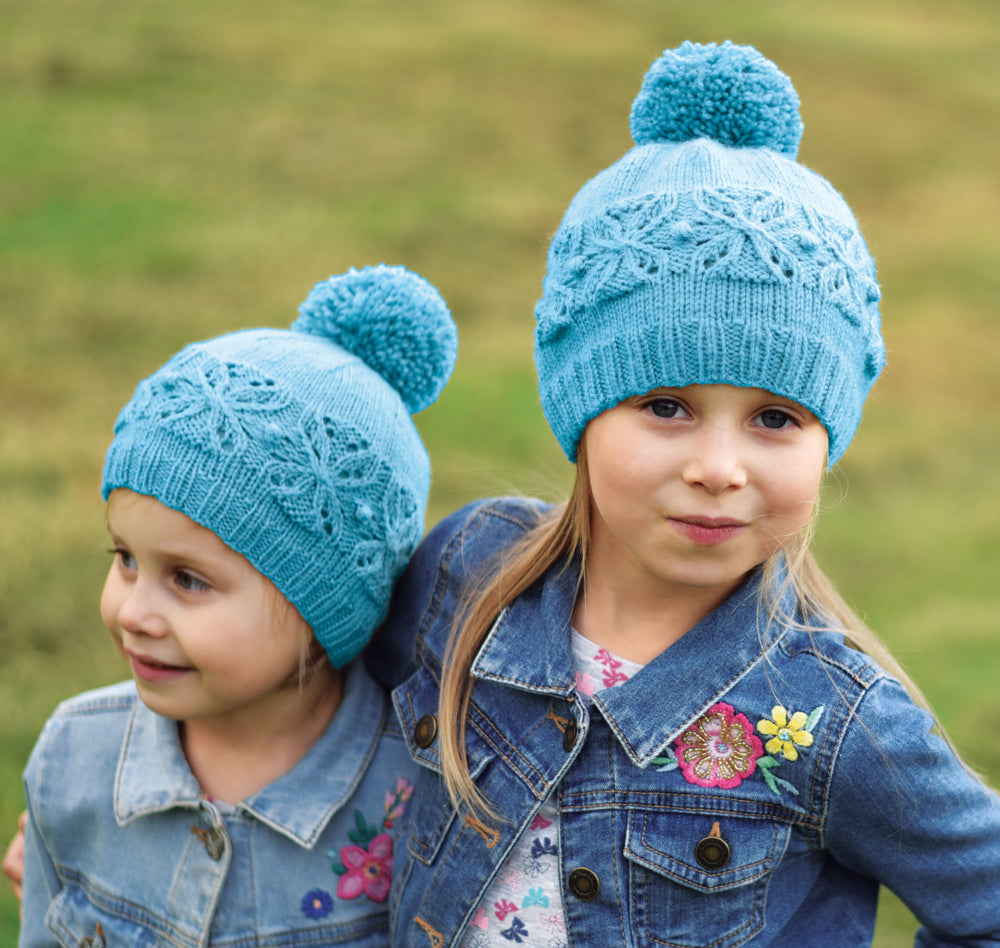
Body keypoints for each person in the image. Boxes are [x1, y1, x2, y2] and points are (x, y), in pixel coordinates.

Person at [370, 42, 1000, 946]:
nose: (718, 467)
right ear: (581, 406)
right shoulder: (465, 577)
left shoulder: (834, 720)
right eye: (667, 406)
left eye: (775, 418)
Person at [17, 264, 457, 947]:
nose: (132, 612)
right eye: (125, 558)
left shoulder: (418, 795)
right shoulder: (72, 760)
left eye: (188, 580)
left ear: (325, 608)